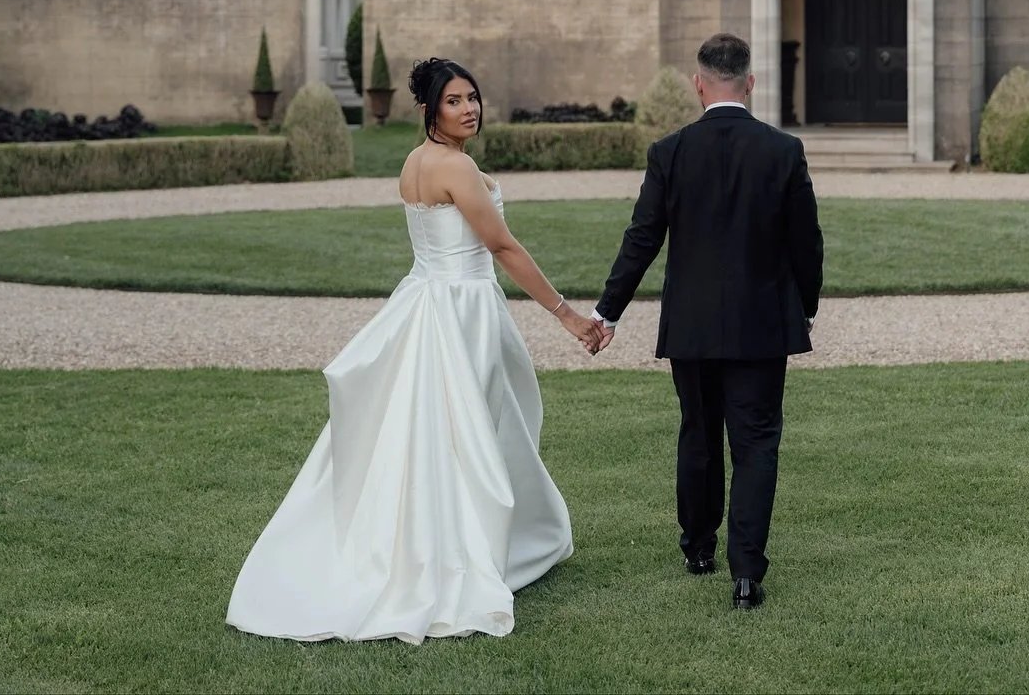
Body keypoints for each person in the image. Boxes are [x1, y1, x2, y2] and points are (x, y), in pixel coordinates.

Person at [226, 57, 598, 643]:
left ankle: (439, 538)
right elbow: (501, 247)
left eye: (472, 96)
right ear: (429, 108)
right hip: (462, 310)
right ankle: (459, 553)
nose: (469, 108)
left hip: (427, 300)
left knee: (436, 432)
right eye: (454, 100)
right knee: (465, 433)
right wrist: (569, 316)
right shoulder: (455, 167)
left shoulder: (414, 163)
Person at [590, 32, 824, 611]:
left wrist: (606, 311)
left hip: (692, 326)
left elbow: (642, 238)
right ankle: (746, 575)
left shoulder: (669, 152)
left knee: (698, 434)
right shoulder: (782, 150)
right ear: (750, 83)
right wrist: (807, 304)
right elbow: (807, 245)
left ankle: (698, 547)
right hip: (762, 323)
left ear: (699, 85)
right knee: (756, 443)